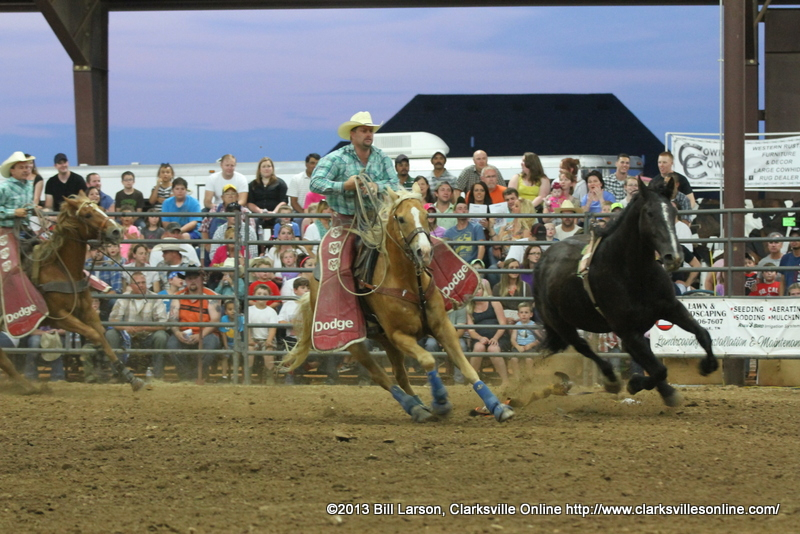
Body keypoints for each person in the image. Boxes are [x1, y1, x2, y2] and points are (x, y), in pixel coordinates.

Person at [105, 272, 169, 376]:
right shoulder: (123, 298)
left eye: (143, 282)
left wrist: (144, 328)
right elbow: (113, 320)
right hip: (127, 337)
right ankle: (117, 374)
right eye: (138, 283)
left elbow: (163, 323)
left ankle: (158, 376)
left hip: (148, 336)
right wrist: (126, 327)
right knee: (111, 334)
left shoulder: (155, 298)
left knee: (161, 336)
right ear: (131, 286)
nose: (141, 285)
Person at [167, 269, 221, 382]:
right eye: (189, 278)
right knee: (172, 343)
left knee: (211, 342)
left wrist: (200, 335)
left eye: (195, 278)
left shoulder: (212, 296)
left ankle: (198, 376)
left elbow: (215, 320)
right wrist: (177, 333)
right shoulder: (178, 296)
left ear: (201, 279)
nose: (192, 281)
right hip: (183, 333)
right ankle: (185, 377)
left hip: (206, 334)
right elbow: (173, 318)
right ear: (185, 280)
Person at [467, 279, 510, 387]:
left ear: (483, 290)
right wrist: (480, 338)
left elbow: (503, 323)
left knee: (493, 349)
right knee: (478, 348)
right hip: (479, 337)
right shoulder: (468, 307)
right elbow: (471, 330)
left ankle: (505, 381)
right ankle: (473, 381)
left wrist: (495, 338)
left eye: (479, 289)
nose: (477, 292)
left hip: (499, 336)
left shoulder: (493, 302)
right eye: (474, 290)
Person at [248, 284, 279, 385]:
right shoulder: (249, 310)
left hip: (266, 338)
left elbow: (272, 328)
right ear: (253, 295)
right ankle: (247, 375)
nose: (261, 295)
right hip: (253, 338)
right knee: (250, 351)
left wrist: (269, 340)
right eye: (259, 293)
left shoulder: (271, 312)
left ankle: (269, 376)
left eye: (265, 294)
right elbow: (247, 328)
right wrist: (249, 340)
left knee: (268, 352)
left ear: (269, 297)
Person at [247, 157, 288, 228]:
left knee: (281, 222)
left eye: (269, 166)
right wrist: (260, 212)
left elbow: (284, 201)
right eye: (264, 166)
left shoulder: (280, 183)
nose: (266, 169)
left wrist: (274, 213)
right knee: (253, 221)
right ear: (259, 169)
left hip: (276, 214)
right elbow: (250, 202)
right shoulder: (252, 185)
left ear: (272, 168)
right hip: (258, 215)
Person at [491, 258, 532, 324]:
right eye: (511, 267)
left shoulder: (525, 286)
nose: (515, 270)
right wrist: (505, 318)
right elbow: (495, 308)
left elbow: (529, 305)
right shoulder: (497, 287)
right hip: (503, 319)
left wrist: (521, 318)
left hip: (522, 318)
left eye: (517, 267)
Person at [444, 199, 485, 263]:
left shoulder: (477, 227)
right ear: (454, 212)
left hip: (472, 264)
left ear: (468, 211)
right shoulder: (448, 233)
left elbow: (481, 247)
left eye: (465, 209)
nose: (463, 211)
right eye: (460, 209)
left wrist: (478, 262)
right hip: (457, 266)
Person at [509, 302, 540, 375]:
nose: (523, 314)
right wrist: (517, 346)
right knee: (514, 359)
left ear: (531, 314)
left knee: (529, 360)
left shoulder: (533, 325)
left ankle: (530, 378)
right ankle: (517, 380)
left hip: (530, 346)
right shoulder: (517, 325)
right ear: (518, 314)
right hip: (519, 346)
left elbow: (539, 339)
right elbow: (513, 339)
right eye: (521, 312)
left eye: (526, 312)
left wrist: (530, 345)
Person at [779, 229, 800, 293]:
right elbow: (782, 281)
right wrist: (781, 299)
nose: (794, 241)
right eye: (792, 238)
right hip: (789, 296)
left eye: (797, 238)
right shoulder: (785, 258)